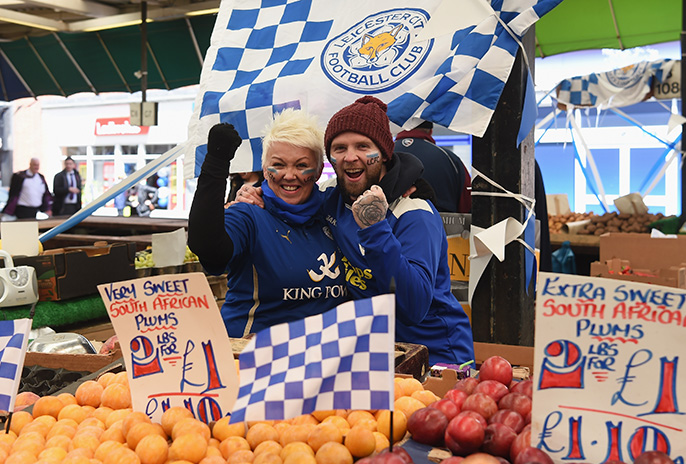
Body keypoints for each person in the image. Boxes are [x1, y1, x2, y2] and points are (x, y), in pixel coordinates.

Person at [238, 97, 474, 366]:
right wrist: (255, 194)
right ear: (331, 158)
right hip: (372, 356)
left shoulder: (414, 213)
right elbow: (290, 189)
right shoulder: (330, 197)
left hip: (436, 357)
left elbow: (413, 308)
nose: (350, 157)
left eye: (363, 146)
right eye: (340, 148)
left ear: (384, 153)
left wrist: (375, 229)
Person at [188, 108, 348, 338]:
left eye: (302, 165)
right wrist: (216, 164)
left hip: (324, 359)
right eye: (279, 165)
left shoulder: (335, 209)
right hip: (252, 358)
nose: (289, 175)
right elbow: (208, 247)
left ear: (319, 170)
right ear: (264, 168)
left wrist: (411, 180)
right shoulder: (249, 214)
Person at [394, 121, 472, 213]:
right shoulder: (451, 160)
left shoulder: (383, 156)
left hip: (388, 224)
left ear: (398, 128)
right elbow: (468, 204)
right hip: (441, 225)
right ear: (430, 131)